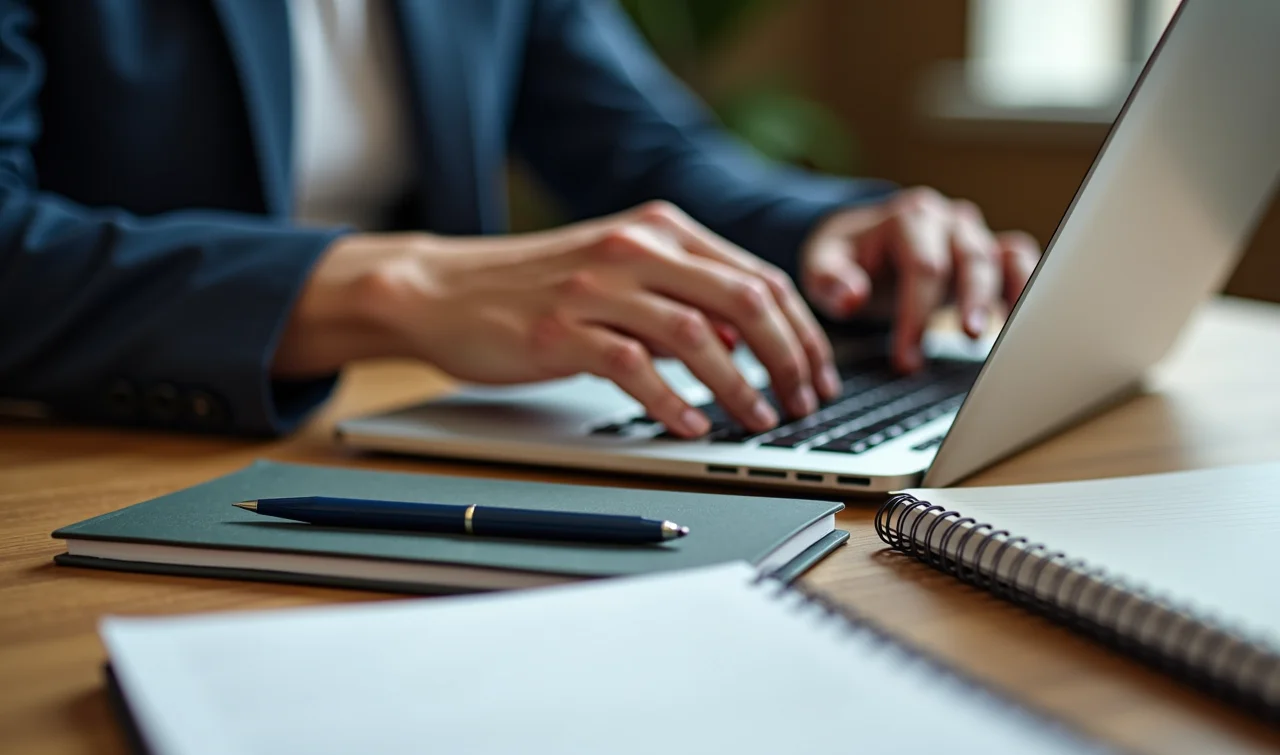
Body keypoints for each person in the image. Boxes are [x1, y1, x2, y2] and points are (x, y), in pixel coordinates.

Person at [0, 0, 1039, 439]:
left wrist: (831, 237)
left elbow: (643, 151)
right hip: (96, 449)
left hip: (399, 438)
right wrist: (398, 288)